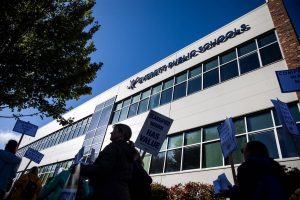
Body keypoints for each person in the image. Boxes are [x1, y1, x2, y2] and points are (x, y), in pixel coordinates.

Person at [79, 123, 136, 200]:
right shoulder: (129, 152)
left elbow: (101, 169)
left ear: (121, 134)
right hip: (121, 194)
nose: (111, 132)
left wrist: (80, 168)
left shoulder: (113, 148)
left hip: (106, 193)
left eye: (114, 130)